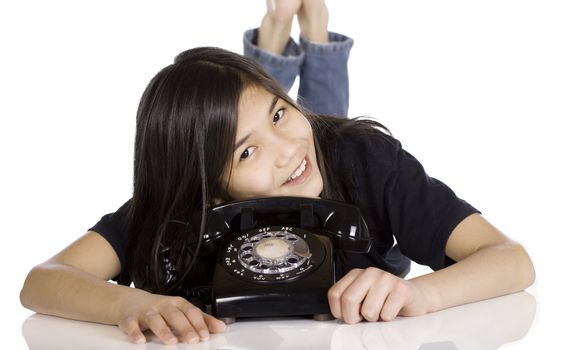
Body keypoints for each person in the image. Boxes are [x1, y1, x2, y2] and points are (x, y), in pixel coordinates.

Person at [19, 0, 535, 346]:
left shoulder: (367, 162)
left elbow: (513, 261)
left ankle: (298, 37)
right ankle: (290, 46)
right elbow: (41, 282)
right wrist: (127, 303)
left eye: (279, 110)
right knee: (302, 140)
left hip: (340, 151)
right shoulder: (182, 209)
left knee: (328, 130)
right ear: (206, 188)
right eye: (244, 153)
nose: (286, 149)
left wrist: (422, 293)